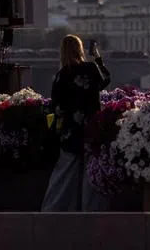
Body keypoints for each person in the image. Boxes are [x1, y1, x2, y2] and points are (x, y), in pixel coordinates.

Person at [41, 35, 111, 212]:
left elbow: (56, 107)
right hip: (91, 130)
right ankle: (90, 211)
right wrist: (97, 57)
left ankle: (53, 209)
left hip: (70, 132)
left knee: (63, 176)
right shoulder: (91, 68)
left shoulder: (62, 74)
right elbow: (105, 80)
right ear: (80, 50)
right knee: (90, 175)